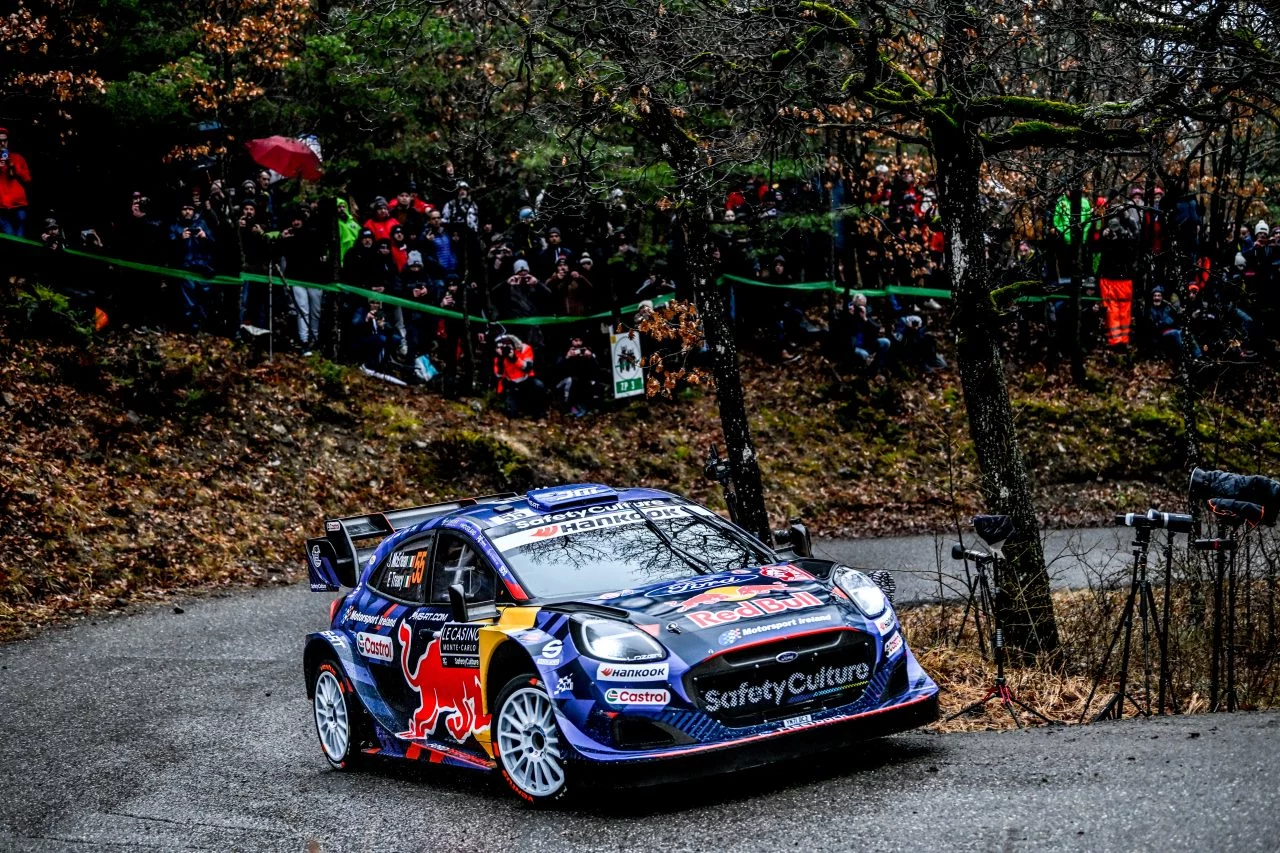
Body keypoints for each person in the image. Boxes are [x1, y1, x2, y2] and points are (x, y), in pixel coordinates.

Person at [169, 202, 216, 332]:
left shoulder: (202, 224)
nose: (188, 212)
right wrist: (180, 238)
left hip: (204, 269)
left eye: (190, 209)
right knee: (188, 302)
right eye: (185, 208)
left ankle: (204, 329)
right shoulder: (175, 226)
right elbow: (168, 248)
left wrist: (205, 237)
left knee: (205, 301)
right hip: (185, 269)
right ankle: (190, 330)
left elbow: (215, 245)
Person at [493, 333, 544, 417]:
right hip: (511, 384)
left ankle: (539, 413)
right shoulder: (498, 357)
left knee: (539, 386)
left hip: (526, 380)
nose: (504, 348)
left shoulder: (525, 349)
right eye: (499, 347)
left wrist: (514, 358)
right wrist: (501, 359)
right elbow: (498, 375)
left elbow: (528, 368)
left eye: (507, 346)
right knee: (511, 413)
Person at [0, 127, 32, 237]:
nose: (2, 143)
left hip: (19, 204)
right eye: (0, 141)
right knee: (10, 237)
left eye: (5, 140)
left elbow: (27, 179)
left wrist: (14, 166)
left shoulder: (18, 158)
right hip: (1, 206)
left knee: (20, 237)